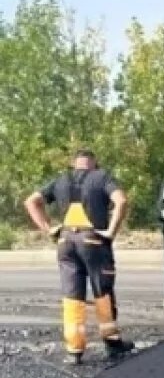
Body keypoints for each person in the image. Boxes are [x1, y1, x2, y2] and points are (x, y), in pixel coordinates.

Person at [24, 149, 136, 364]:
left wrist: (48, 229)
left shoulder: (60, 180)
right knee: (102, 291)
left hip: (65, 241)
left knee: (72, 296)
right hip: (93, 241)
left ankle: (74, 351)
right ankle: (112, 343)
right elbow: (121, 201)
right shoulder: (101, 177)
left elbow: (31, 201)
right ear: (93, 163)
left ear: (75, 163)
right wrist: (111, 231)